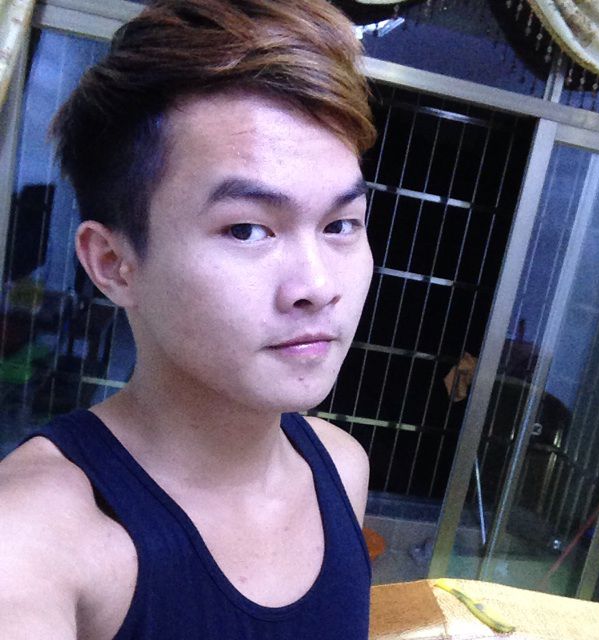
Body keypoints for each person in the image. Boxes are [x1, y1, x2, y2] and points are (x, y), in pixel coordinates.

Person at [0, 1, 377, 637]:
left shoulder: (340, 469)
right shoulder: (39, 538)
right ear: (114, 264)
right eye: (247, 229)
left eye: (340, 225)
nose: (317, 287)